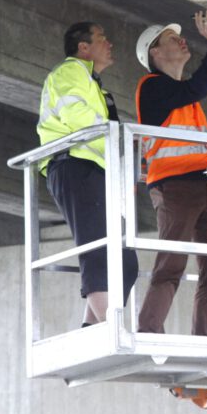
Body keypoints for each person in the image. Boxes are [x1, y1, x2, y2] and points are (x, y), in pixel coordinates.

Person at [37, 22, 139, 327]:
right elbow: (80, 119)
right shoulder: (70, 72)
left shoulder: (94, 84)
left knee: (125, 261)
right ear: (84, 48)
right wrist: (118, 141)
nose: (109, 44)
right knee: (99, 250)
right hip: (75, 167)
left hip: (97, 172)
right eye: (102, 38)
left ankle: (92, 327)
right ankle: (111, 328)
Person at [134, 10, 207, 336]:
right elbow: (199, 87)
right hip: (174, 187)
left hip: (204, 185)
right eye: (172, 39)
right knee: (171, 263)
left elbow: (203, 148)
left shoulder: (185, 95)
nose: (181, 40)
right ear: (155, 54)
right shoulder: (153, 86)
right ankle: (148, 329)